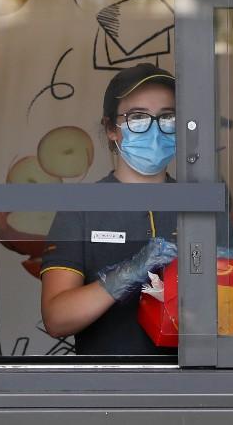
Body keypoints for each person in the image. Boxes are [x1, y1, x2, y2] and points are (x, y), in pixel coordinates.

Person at [39, 63, 178, 356]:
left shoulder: (201, 204)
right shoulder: (80, 209)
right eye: (138, 117)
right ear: (111, 129)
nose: (155, 128)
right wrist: (127, 274)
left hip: (197, 393)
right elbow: (56, 319)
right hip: (107, 392)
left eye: (167, 117)